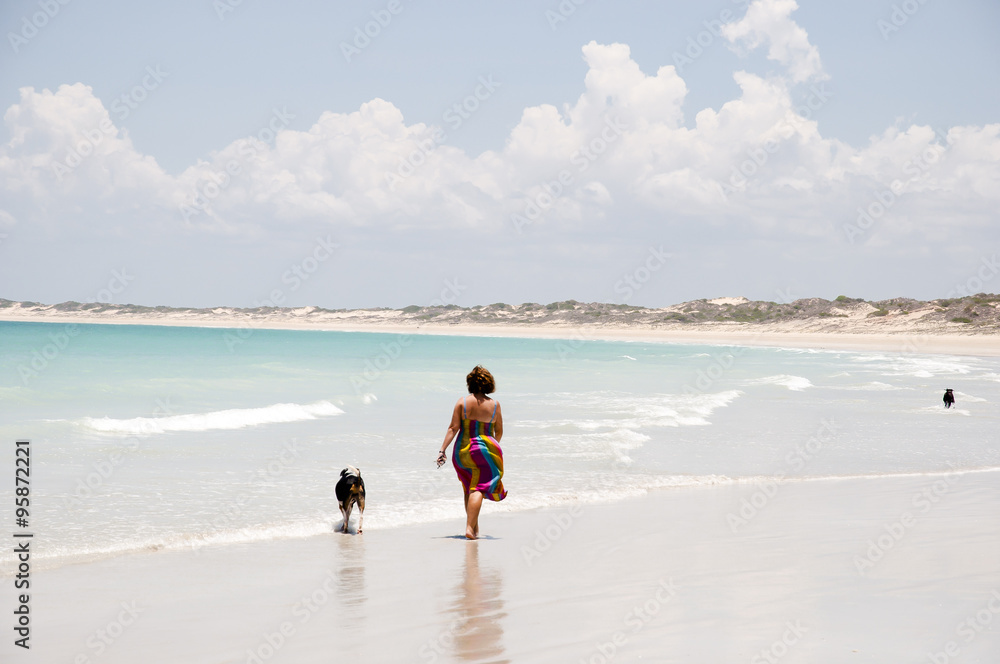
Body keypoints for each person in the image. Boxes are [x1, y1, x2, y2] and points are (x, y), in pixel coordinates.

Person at [437, 365, 507, 540]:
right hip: (485, 450)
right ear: (489, 383)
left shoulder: (462, 402)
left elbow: (453, 428)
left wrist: (442, 450)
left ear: (470, 383)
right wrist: (492, 447)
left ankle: (474, 529)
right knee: (479, 488)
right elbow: (499, 431)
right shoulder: (495, 405)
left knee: (469, 487)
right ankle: (470, 528)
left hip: (462, 450)